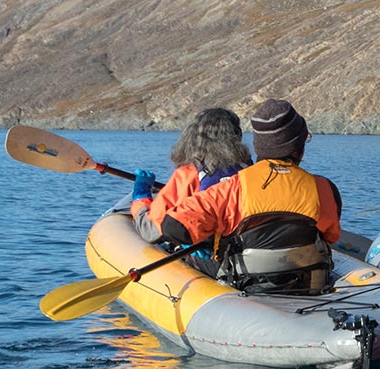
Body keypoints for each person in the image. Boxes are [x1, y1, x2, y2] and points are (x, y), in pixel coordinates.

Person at [161, 99, 343, 294]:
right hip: (307, 281)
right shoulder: (325, 189)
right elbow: (331, 235)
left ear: (258, 146)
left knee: (180, 251)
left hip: (245, 281)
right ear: (299, 148)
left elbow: (173, 226)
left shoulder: (231, 188)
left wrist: (201, 241)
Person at [127, 107, 253, 244]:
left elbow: (149, 230)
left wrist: (141, 194)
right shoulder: (251, 172)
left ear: (194, 137)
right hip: (242, 247)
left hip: (207, 254)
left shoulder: (187, 175)